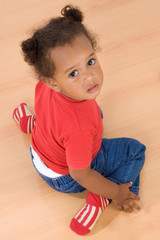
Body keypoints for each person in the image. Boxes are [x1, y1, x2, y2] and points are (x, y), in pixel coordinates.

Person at [13, 5, 146, 235]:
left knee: (87, 114)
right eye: (73, 73)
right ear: (52, 81)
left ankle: (29, 123)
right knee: (134, 150)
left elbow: (57, 116)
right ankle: (100, 200)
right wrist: (115, 192)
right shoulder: (79, 128)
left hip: (39, 151)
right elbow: (80, 174)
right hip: (66, 177)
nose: (89, 76)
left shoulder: (45, 86)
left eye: (91, 61)